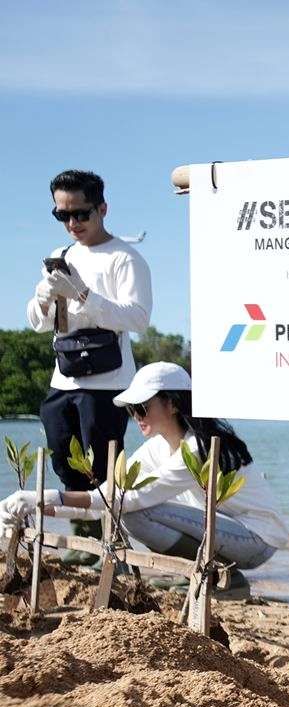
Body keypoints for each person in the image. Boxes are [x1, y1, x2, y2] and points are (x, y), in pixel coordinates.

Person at [0, 362, 288, 574]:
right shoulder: (157, 448)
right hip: (220, 534)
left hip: (255, 540)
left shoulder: (198, 449)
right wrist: (38, 506)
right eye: (131, 410)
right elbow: (108, 497)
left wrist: (53, 497)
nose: (136, 417)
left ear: (172, 404)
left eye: (142, 407)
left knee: (135, 512)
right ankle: (202, 573)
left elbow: (130, 500)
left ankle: (216, 576)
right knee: (124, 507)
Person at [23, 170, 152, 561]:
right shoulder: (60, 256)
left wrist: (83, 294)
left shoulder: (125, 258)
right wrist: (45, 295)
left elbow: (138, 319)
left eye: (80, 214)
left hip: (109, 381)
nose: (72, 224)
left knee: (103, 463)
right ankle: (85, 539)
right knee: (63, 458)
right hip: (64, 376)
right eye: (62, 216)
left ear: (102, 209)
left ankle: (107, 544)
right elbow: (37, 322)